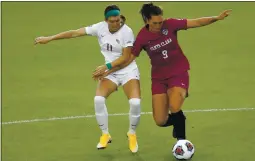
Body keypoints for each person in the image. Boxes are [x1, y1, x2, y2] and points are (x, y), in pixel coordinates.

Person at [93, 3, 232, 141]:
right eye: (155, 23)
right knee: (160, 120)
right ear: (147, 20)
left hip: (178, 71)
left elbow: (196, 22)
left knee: (175, 104)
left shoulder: (170, 24)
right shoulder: (142, 37)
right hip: (159, 77)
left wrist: (216, 18)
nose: (159, 25)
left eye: (160, 22)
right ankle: (179, 120)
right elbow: (128, 59)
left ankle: (181, 142)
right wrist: (109, 70)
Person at [34, 4, 141, 153]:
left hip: (127, 70)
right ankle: (105, 134)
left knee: (135, 103)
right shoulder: (100, 28)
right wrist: (50, 38)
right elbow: (74, 33)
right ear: (106, 20)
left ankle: (132, 133)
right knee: (98, 100)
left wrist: (106, 66)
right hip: (109, 72)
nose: (116, 23)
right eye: (112, 21)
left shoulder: (127, 32)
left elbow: (125, 58)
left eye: (118, 20)